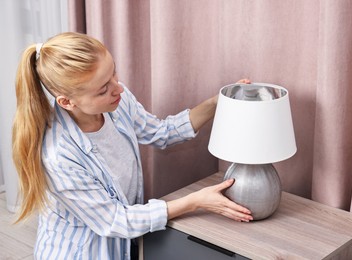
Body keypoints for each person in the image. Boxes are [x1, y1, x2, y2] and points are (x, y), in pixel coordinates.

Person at [12, 32, 252, 259]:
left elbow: (161, 132)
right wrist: (195, 201)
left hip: (121, 245)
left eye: (113, 73)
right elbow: (115, 220)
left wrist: (217, 102)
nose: (118, 88)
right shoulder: (59, 156)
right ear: (67, 102)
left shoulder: (116, 101)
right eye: (103, 89)